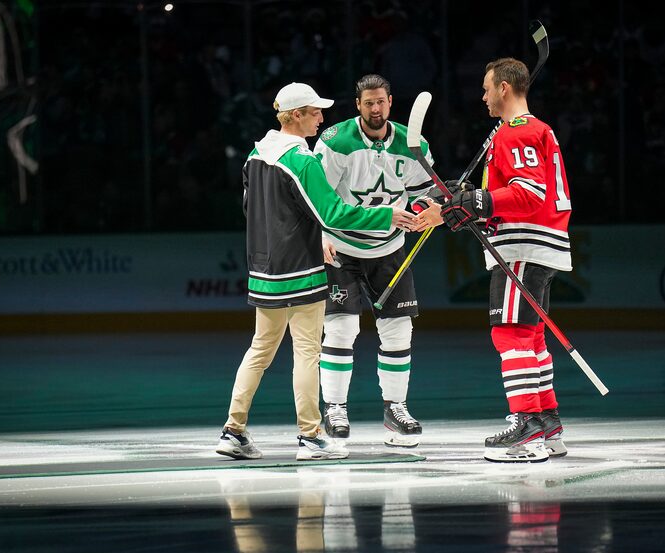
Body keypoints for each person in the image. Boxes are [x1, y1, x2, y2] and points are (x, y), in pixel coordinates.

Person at [216, 82, 418, 462]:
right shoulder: (301, 160)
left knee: (260, 350)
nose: (321, 118)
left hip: (264, 269)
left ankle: (233, 430)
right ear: (295, 115)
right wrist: (386, 214)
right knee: (307, 351)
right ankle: (310, 435)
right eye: (313, 112)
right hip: (301, 268)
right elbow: (333, 214)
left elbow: (248, 207)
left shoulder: (256, 155)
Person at [414, 58, 571, 463]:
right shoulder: (532, 130)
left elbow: (528, 194)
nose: (482, 96)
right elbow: (501, 198)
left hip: (523, 246)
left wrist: (472, 201)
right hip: (540, 243)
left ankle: (526, 427)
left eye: (487, 88)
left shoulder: (517, 132)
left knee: (510, 334)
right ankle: (546, 421)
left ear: (504, 88)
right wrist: (459, 204)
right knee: (531, 336)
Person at [314, 74, 434, 447]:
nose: (375, 109)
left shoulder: (413, 144)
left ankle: (395, 409)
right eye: (368, 103)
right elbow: (315, 195)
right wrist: (317, 236)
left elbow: (424, 193)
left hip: (390, 248)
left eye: (380, 101)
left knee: (399, 330)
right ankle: (334, 408)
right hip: (342, 247)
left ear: (390, 102)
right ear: (358, 105)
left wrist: (427, 210)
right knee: (341, 328)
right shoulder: (335, 141)